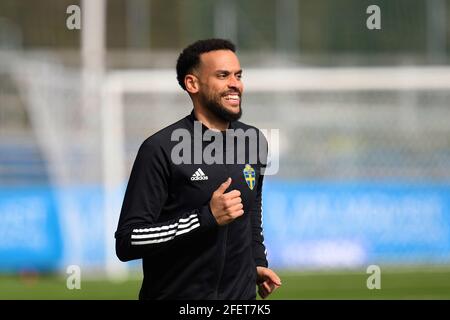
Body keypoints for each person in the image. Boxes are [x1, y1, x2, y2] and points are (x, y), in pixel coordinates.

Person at [115, 38, 281, 300]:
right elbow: (128, 240)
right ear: (192, 84)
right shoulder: (160, 148)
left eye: (238, 75)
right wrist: (205, 218)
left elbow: (250, 214)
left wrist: (257, 262)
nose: (235, 84)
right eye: (223, 75)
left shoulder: (255, 141)